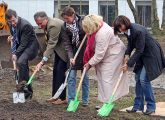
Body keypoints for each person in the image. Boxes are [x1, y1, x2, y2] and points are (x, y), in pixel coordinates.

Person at [113, 15, 165, 115]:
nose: (120, 29)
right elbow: (131, 44)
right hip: (142, 55)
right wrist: (127, 54)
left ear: (125, 22)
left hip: (151, 55)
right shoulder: (128, 31)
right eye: (118, 28)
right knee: (137, 78)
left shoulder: (138, 31)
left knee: (144, 79)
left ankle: (151, 106)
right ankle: (138, 106)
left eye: (120, 26)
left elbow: (139, 50)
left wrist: (128, 64)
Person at [82, 14, 129, 108]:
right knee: (101, 77)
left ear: (92, 25)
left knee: (106, 78)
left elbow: (99, 54)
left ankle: (108, 103)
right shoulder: (99, 26)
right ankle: (105, 101)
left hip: (114, 55)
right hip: (106, 54)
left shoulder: (102, 34)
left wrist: (89, 63)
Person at [34, 11, 68, 104]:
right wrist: (44, 58)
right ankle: (55, 96)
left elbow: (51, 43)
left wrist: (42, 61)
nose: (40, 26)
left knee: (60, 73)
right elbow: (48, 44)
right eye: (37, 24)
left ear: (45, 19)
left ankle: (62, 98)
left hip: (65, 51)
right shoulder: (47, 24)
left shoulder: (53, 25)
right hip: (59, 50)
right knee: (56, 72)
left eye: (40, 23)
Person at [6, 9, 39, 99]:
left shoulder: (26, 25)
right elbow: (15, 35)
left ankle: (22, 87)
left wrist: (15, 54)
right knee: (22, 66)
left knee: (20, 62)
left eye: (13, 20)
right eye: (10, 21)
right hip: (22, 47)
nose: (12, 23)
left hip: (31, 47)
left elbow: (24, 43)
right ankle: (27, 91)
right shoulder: (10, 23)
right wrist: (11, 37)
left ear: (17, 17)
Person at [60, 6, 89, 106]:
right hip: (73, 52)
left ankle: (85, 101)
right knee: (71, 77)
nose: (66, 21)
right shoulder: (64, 27)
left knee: (84, 77)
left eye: (67, 18)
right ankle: (72, 100)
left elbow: (91, 32)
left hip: (85, 50)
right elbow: (67, 44)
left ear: (73, 15)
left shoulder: (83, 21)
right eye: (64, 19)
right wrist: (71, 57)